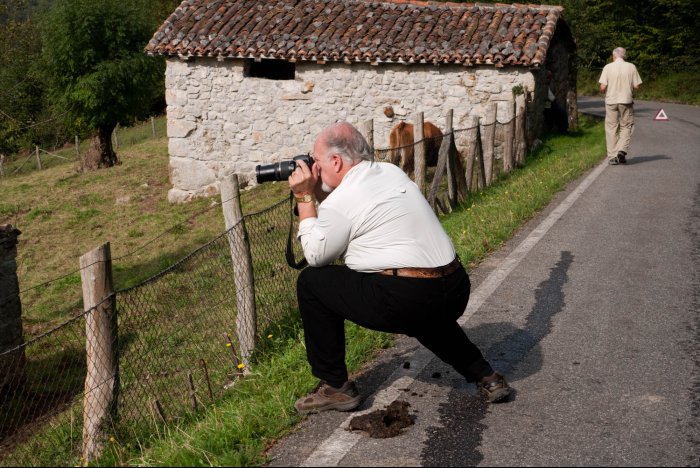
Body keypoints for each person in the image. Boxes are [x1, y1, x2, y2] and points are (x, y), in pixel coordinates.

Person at [286, 121, 512, 414]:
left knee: (312, 283)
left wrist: (305, 197)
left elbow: (316, 255)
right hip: (455, 288)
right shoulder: (390, 172)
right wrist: (319, 194)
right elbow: (349, 208)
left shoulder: (342, 201)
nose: (313, 169)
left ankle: (335, 387)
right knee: (423, 313)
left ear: (336, 161)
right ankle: (487, 376)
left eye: (315, 162)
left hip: (411, 297)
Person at [598, 47, 642, 165]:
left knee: (611, 127)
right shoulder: (631, 67)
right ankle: (622, 150)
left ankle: (612, 157)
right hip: (626, 100)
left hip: (611, 101)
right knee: (626, 125)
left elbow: (602, 87)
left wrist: (603, 91)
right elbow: (637, 86)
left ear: (614, 56)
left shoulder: (607, 67)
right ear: (624, 56)